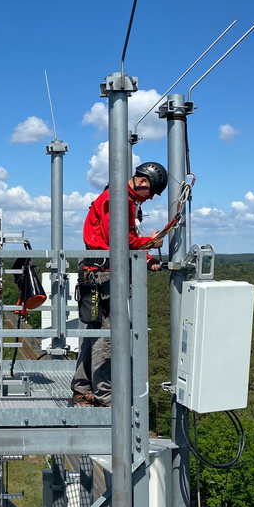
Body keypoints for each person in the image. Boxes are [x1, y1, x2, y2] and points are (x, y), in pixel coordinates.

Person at [71, 161, 168, 407]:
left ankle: (82, 389)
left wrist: (145, 258)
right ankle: (106, 397)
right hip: (105, 275)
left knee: (94, 334)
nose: (149, 199)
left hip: (97, 271)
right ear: (143, 182)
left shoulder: (118, 198)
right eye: (152, 193)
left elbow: (123, 239)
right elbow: (120, 240)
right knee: (108, 336)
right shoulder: (119, 200)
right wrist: (150, 243)